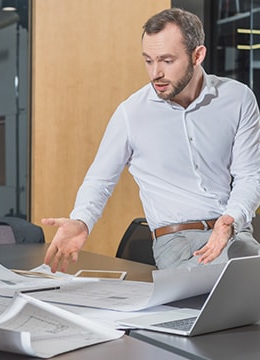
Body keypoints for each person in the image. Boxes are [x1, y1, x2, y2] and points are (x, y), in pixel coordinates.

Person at [42, 8, 260, 272]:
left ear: (197, 55)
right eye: (148, 60)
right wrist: (82, 220)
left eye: (167, 61)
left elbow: (250, 176)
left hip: (235, 232)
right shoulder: (131, 113)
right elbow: (100, 180)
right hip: (177, 241)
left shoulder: (238, 99)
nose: (155, 73)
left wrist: (230, 221)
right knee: (224, 295)